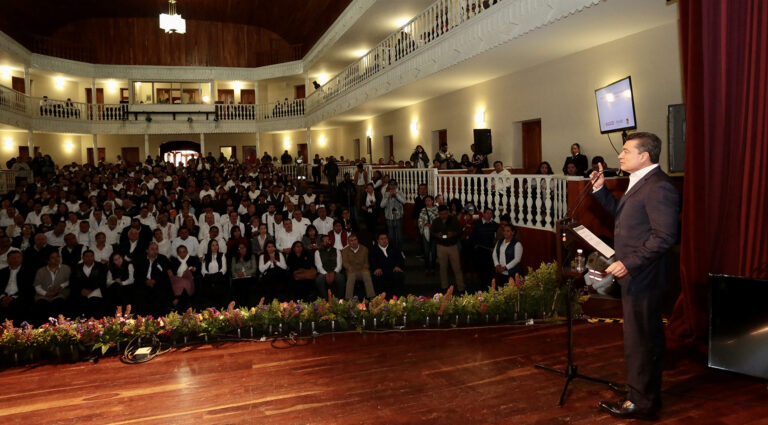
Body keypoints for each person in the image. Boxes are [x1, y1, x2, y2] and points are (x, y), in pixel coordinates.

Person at [592, 132, 679, 420]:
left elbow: (665, 236)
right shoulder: (642, 182)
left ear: (644, 156)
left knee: (640, 339)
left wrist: (628, 262)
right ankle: (643, 390)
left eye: (627, 151)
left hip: (644, 276)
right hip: (638, 275)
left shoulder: (658, 187)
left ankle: (640, 402)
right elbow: (624, 215)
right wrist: (601, 191)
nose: (620, 155)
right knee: (644, 336)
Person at [431, 205, 465, 292]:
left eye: (445, 214)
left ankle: (461, 288)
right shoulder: (436, 221)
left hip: (452, 246)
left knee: (457, 268)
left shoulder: (454, 220)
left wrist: (453, 234)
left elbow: (460, 231)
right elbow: (432, 233)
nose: (443, 216)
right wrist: (437, 235)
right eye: (441, 214)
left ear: (448, 212)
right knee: (443, 268)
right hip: (441, 246)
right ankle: (444, 287)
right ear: (439, 214)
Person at [133, 242, 172, 315]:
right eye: (152, 249)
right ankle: (142, 318)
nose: (155, 251)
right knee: (139, 292)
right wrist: (145, 281)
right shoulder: (140, 259)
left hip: (158, 283)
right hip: (144, 283)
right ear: (147, 250)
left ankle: (159, 317)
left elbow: (165, 275)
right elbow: (137, 274)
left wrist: (155, 281)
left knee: (161, 292)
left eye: (156, 249)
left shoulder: (163, 259)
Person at [33, 251, 71, 321]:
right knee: (42, 305)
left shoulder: (66, 268)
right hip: (43, 295)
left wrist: (61, 286)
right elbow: (37, 286)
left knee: (58, 303)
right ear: (48, 260)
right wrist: (46, 293)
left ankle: (58, 326)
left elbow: (70, 281)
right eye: (53, 258)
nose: (56, 259)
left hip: (60, 294)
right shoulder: (41, 271)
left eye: (57, 257)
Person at [340, 234, 375, 300]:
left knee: (366, 274)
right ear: (348, 242)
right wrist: (349, 268)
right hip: (351, 270)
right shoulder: (345, 250)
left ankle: (372, 298)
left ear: (357, 240)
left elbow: (367, 262)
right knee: (351, 275)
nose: (353, 242)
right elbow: (345, 262)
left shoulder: (364, 249)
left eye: (355, 240)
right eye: (351, 241)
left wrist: (365, 267)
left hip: (362, 270)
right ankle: (348, 299)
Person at [471, 208, 498, 289]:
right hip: (481, 250)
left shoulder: (494, 224)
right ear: (483, 214)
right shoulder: (478, 224)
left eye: (490, 213)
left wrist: (493, 247)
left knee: (490, 270)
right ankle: (482, 287)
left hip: (491, 251)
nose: (489, 215)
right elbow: (474, 237)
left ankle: (489, 287)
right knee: (482, 270)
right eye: (487, 213)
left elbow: (496, 238)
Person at [0, 251, 31, 323]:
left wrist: (12, 298)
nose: (16, 260)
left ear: (22, 259)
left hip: (19, 297)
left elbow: (28, 288)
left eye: (18, 257)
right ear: (7, 260)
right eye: (13, 258)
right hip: (3, 296)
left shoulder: (28, 271)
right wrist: (2, 297)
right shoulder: (2, 272)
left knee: (18, 305)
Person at [167, 245, 200, 309]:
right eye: (180, 252)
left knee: (184, 286)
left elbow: (198, 270)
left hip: (190, 282)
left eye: (184, 252)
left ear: (187, 252)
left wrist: (194, 269)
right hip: (177, 282)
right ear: (177, 254)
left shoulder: (193, 259)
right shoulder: (174, 261)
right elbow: (171, 274)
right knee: (181, 285)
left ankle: (177, 300)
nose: (182, 254)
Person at [200, 239, 228, 309]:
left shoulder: (222, 255)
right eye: (213, 245)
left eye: (216, 245)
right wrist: (210, 276)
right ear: (209, 247)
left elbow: (224, 269)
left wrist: (216, 276)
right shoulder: (205, 256)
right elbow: (203, 270)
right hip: (208, 280)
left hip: (219, 279)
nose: (215, 247)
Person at [380, 180, 405, 254]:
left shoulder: (400, 193)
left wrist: (396, 195)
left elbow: (404, 201)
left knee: (399, 237)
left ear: (397, 186)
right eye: (391, 185)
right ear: (389, 186)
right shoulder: (386, 194)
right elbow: (382, 205)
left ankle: (400, 251)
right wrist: (388, 197)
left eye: (394, 185)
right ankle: (391, 251)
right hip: (389, 218)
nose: (392, 186)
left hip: (398, 217)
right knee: (391, 237)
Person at [230, 242, 258, 307]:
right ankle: (240, 307)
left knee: (246, 287)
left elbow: (254, 269)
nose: (242, 249)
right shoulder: (234, 258)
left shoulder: (251, 256)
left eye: (244, 248)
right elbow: (232, 271)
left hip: (249, 278)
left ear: (246, 248)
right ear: (238, 250)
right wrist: (237, 275)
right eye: (240, 248)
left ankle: (247, 306)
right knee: (238, 287)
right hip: (238, 280)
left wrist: (244, 274)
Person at [417, 195, 438, 275]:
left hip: (435, 233)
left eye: (429, 200)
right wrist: (425, 224)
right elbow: (420, 221)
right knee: (426, 251)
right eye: (426, 201)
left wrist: (433, 225)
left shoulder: (436, 210)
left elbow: (439, 220)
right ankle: (426, 267)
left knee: (433, 251)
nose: (427, 202)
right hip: (426, 232)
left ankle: (433, 267)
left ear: (432, 201)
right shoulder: (423, 210)